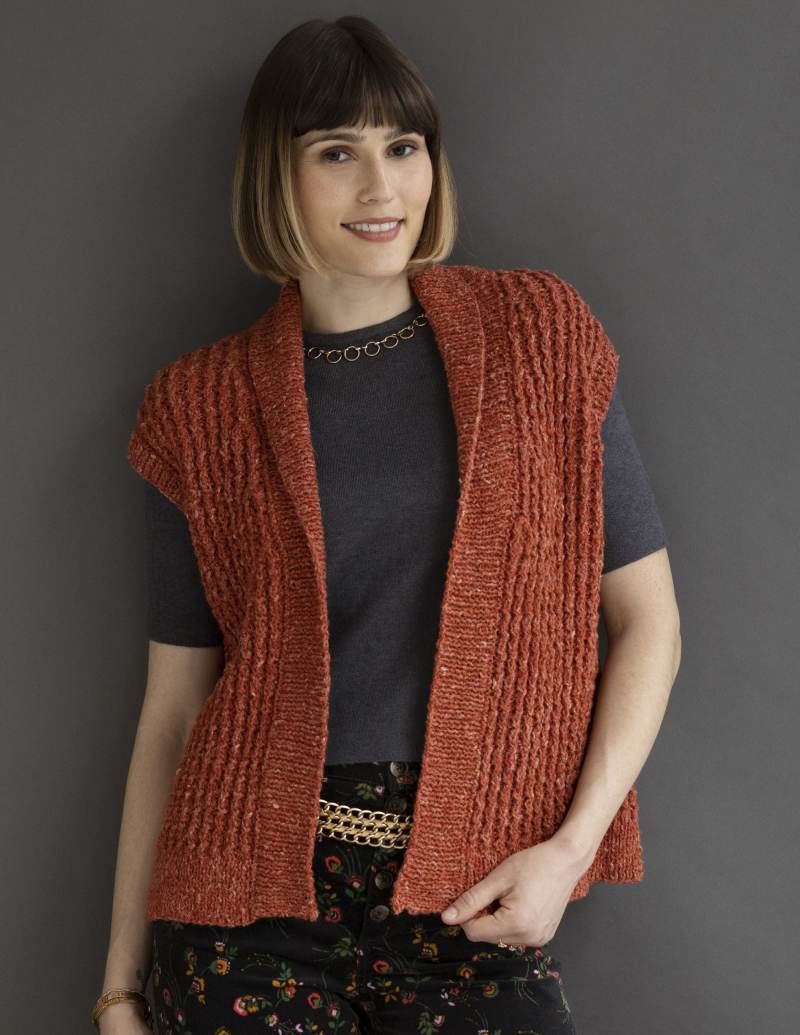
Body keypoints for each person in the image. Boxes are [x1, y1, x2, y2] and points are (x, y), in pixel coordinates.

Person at [96, 15, 681, 1035]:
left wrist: (569, 850)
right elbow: (175, 713)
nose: (381, 188)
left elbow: (648, 624)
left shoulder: (538, 337)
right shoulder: (198, 408)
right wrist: (119, 986)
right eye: (336, 153)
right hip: (246, 911)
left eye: (402, 147)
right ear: (275, 178)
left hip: (472, 903)